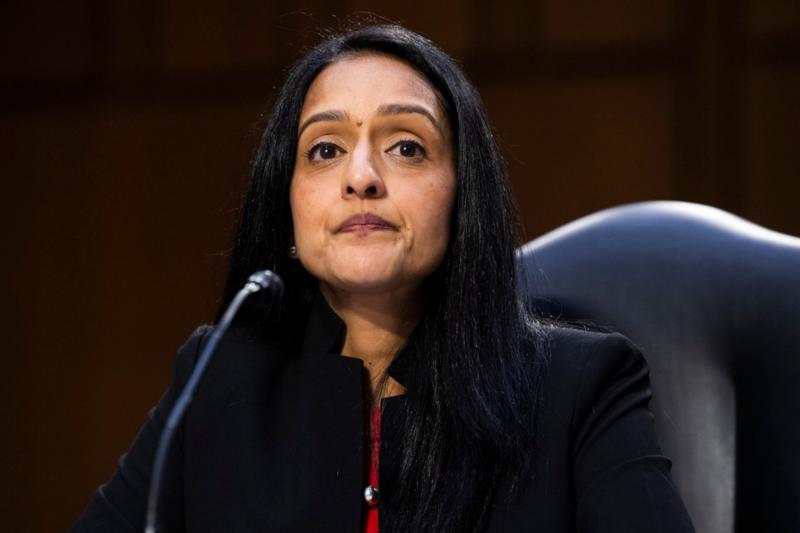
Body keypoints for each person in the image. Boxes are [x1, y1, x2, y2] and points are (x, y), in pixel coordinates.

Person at [72, 24, 695, 532]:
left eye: (406, 147)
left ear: (463, 200)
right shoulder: (216, 381)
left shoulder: (579, 389)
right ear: (288, 214)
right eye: (325, 150)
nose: (361, 177)